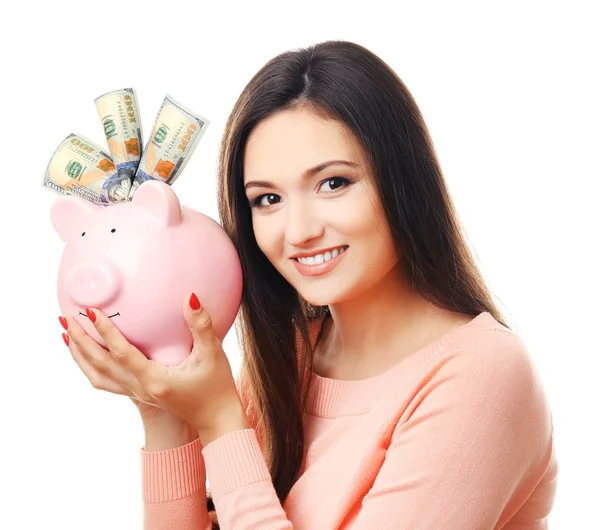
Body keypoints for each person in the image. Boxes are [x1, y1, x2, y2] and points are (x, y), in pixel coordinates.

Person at [60, 40, 558, 529]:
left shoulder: (483, 375)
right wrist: (163, 414)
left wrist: (218, 420)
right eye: (267, 199)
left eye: (333, 183)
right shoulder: (289, 360)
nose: (298, 231)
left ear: (402, 180)